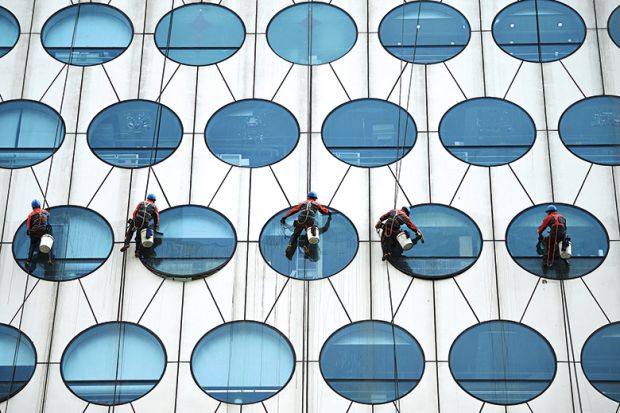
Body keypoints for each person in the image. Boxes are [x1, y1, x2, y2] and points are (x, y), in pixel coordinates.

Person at [280, 191, 331, 260]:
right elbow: (324, 210)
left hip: (301, 219)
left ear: (308, 197)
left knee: (295, 234)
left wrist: (285, 217)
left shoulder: (303, 203)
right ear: (315, 198)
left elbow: (293, 210)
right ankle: (306, 246)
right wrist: (329, 212)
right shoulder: (316, 204)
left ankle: (290, 244)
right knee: (309, 234)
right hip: (310, 220)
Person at [120, 194, 160, 258]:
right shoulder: (154, 206)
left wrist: (133, 220)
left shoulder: (141, 203)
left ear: (147, 198)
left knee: (130, 232)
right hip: (144, 223)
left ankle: (127, 244)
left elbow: (135, 212)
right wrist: (156, 227)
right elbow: (157, 217)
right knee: (139, 237)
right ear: (154, 200)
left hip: (136, 221)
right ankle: (137, 252)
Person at [25, 199, 52, 267]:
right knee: (46, 243)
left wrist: (29, 231)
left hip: (34, 232)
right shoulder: (45, 212)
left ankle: (28, 261)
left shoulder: (31, 215)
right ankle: (49, 259)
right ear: (39, 205)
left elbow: (28, 226)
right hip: (43, 231)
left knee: (33, 245)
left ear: (32, 207)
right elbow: (49, 216)